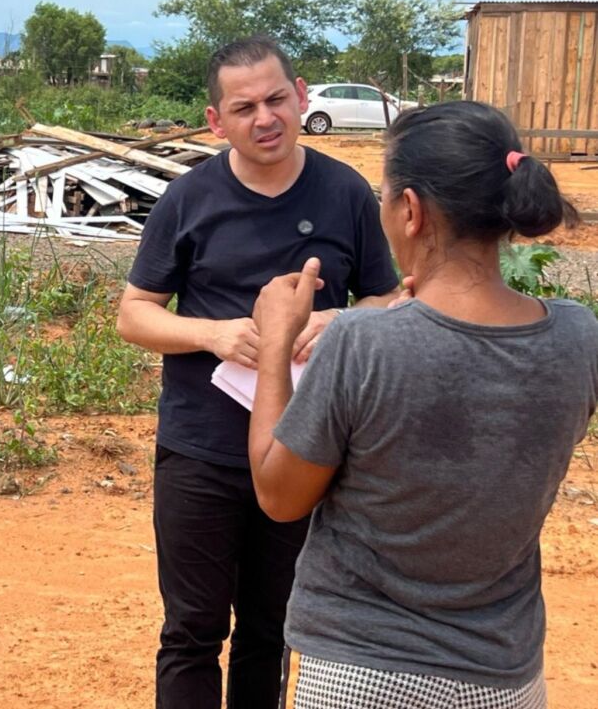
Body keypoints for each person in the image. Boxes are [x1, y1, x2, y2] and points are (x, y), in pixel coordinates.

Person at [249, 100, 598, 708]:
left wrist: (277, 344)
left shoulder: (363, 343)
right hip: (506, 679)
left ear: (411, 210)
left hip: (363, 673)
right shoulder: (578, 336)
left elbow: (279, 496)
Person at [116, 35, 400, 708]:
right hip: (200, 449)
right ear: (217, 121)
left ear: (301, 97)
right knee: (191, 630)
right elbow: (134, 314)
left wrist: (340, 321)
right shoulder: (188, 199)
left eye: (276, 99)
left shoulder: (346, 193)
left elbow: (388, 298)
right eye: (244, 108)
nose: (265, 118)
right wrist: (212, 334)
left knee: (271, 630)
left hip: (304, 449)